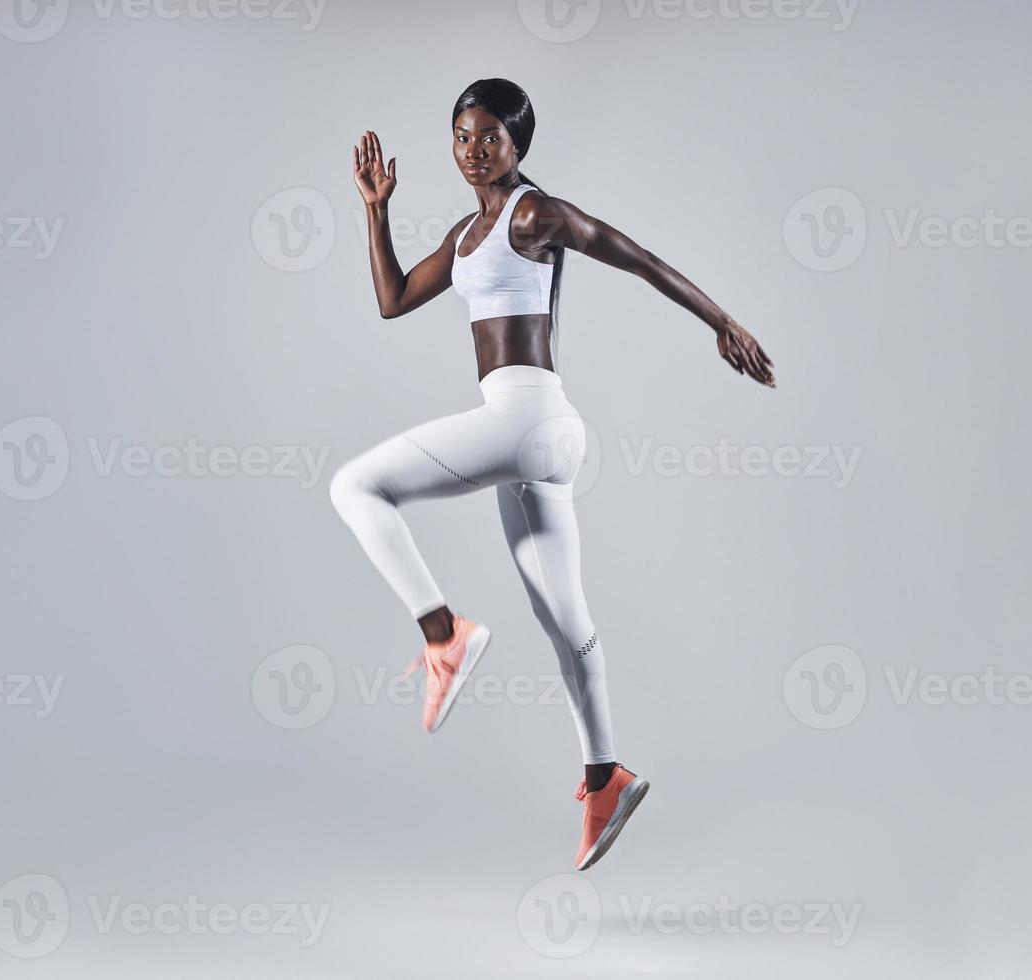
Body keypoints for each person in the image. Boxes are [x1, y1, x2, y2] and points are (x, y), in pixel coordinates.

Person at [330, 78, 775, 871]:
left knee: (355, 486)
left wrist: (723, 323)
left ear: (519, 145)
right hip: (537, 438)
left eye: (490, 137)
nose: (473, 150)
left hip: (525, 419)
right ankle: (605, 776)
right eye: (462, 136)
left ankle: (444, 633)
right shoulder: (468, 233)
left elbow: (636, 257)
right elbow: (394, 301)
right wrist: (375, 208)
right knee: (564, 620)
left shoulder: (535, 213)